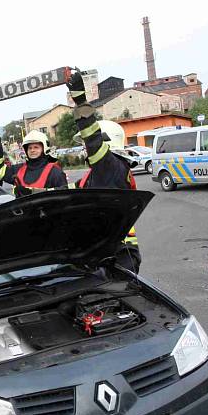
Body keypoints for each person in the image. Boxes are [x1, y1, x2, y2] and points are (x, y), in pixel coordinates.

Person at [66, 70, 141, 273]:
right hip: (101, 251)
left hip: (117, 255)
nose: (85, 148)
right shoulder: (98, 174)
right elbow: (67, 192)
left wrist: (80, 101)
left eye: (86, 144)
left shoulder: (112, 166)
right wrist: (30, 193)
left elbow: (92, 137)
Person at [0, 129, 67, 197]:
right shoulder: (18, 170)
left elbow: (64, 198)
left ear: (44, 148)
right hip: (23, 212)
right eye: (30, 148)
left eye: (36, 147)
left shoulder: (55, 172)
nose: (32, 150)